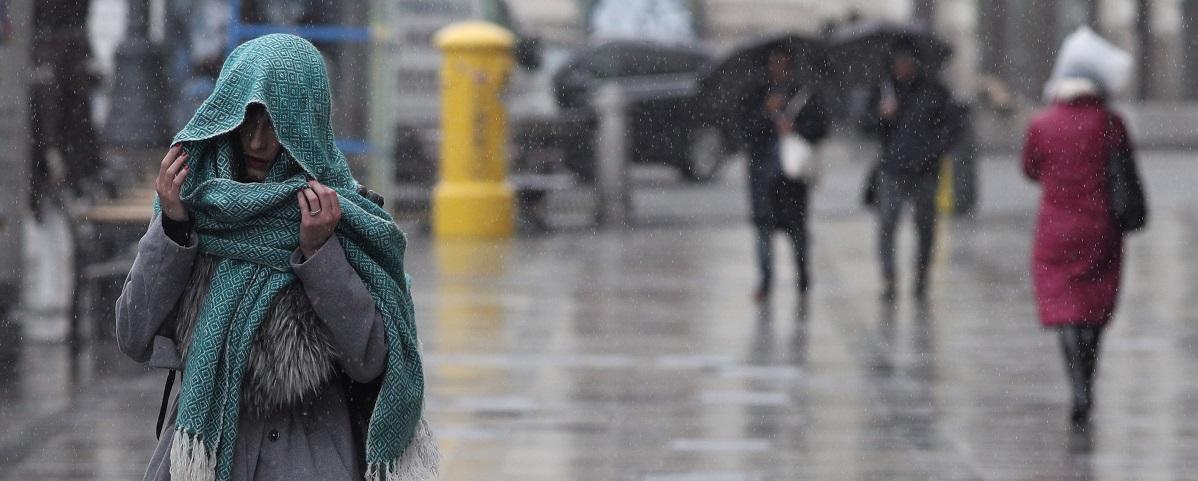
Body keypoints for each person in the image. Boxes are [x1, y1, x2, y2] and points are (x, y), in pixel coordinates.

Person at [115, 35, 437, 481]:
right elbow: (133, 336)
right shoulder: (196, 210)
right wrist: (172, 228)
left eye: (277, 122)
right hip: (204, 464)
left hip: (312, 460)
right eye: (246, 118)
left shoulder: (343, 216)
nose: (259, 140)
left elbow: (370, 359)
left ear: (304, 125)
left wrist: (319, 253)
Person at [1022, 67, 1131, 427]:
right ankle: (1089, 376)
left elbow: (1030, 168)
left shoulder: (1043, 123)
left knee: (1064, 306)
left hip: (1055, 228)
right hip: (1101, 226)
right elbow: (1126, 168)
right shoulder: (1110, 122)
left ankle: (1077, 384)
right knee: (1094, 305)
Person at [865, 41, 956, 302]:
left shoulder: (934, 91)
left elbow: (951, 126)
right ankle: (889, 278)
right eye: (899, 63)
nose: (903, 68)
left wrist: (936, 149)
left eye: (908, 62)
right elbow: (866, 124)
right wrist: (882, 116)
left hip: (925, 169)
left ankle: (921, 278)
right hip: (892, 168)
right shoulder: (884, 91)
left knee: (925, 226)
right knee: (887, 224)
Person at [740, 47, 829, 304]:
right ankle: (765, 282)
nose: (778, 69)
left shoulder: (804, 93)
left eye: (783, 64)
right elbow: (744, 129)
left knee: (797, 231)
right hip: (763, 174)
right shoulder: (754, 92)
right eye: (773, 63)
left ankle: (803, 277)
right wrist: (766, 113)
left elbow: (820, 127)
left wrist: (796, 127)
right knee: (763, 229)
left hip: (792, 177)